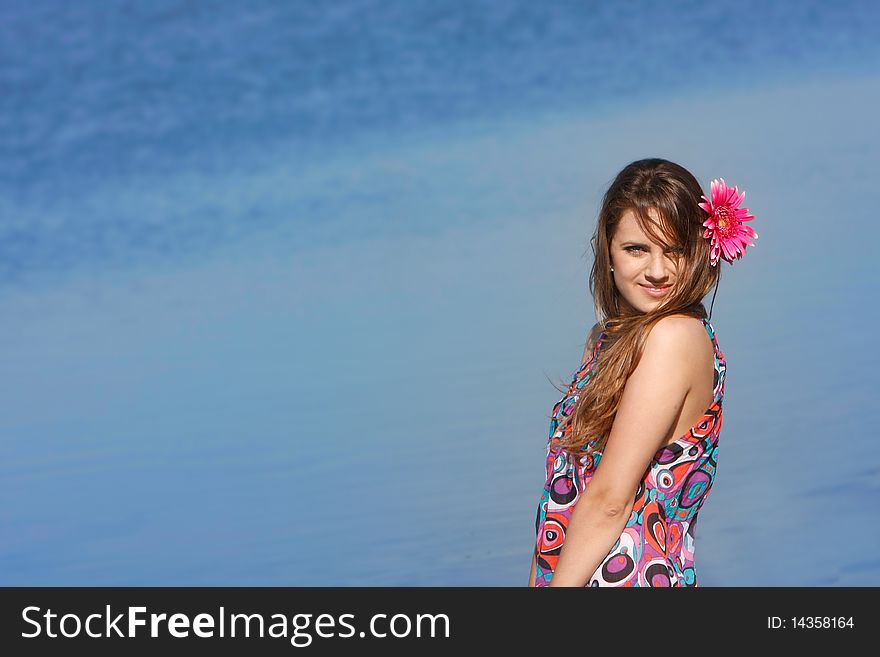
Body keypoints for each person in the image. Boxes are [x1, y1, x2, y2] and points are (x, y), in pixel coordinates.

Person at [528, 158, 758, 587]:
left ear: (703, 252)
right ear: (608, 253)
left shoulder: (675, 339)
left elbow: (611, 500)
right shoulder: (604, 339)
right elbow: (562, 500)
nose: (656, 270)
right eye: (637, 249)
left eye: (675, 250)